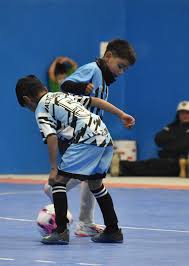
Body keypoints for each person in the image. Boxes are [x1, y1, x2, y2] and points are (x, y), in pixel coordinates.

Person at [15, 75, 135, 244]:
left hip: (86, 139)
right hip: (105, 136)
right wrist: (121, 114)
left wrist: (53, 168)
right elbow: (94, 101)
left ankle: (61, 232)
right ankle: (113, 230)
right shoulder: (61, 96)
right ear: (44, 88)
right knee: (95, 185)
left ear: (28, 100)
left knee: (57, 182)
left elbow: (51, 137)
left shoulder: (41, 109)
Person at [45, 39, 136, 236]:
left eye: (124, 69)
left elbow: (96, 103)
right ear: (108, 56)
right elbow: (66, 86)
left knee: (93, 179)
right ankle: (53, 188)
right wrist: (80, 88)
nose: (120, 72)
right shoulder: (92, 69)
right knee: (85, 178)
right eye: (120, 66)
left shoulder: (104, 79)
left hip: (91, 136)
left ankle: (86, 222)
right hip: (75, 134)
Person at [120, 101, 189, 177]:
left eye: (187, 113)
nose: (184, 115)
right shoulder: (172, 126)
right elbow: (158, 139)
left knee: (165, 166)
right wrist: (178, 142)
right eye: (182, 113)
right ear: (178, 114)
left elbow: (184, 145)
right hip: (166, 159)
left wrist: (171, 143)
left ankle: (123, 168)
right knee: (150, 163)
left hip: (182, 163)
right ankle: (121, 166)